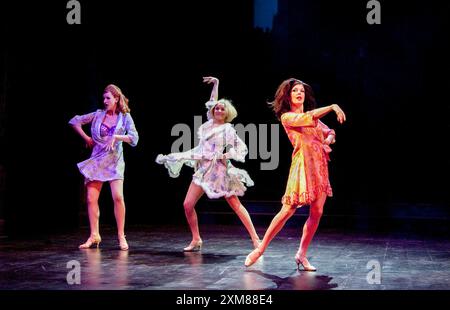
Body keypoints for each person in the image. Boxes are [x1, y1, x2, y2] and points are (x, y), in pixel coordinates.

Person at [244, 78, 346, 271]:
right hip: (302, 167)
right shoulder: (288, 117)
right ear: (288, 96)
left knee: (317, 212)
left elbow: (329, 131)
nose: (300, 93)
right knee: (287, 211)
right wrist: (333, 106)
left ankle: (302, 254)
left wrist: (329, 139)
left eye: (302, 91)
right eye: (295, 91)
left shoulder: (314, 119)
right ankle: (260, 249)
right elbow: (308, 118)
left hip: (320, 166)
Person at [156, 76, 260, 251]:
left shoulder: (227, 129)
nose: (218, 110)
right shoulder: (208, 124)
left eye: (222, 109)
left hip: (219, 171)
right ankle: (196, 239)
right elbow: (211, 102)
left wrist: (226, 155)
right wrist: (216, 84)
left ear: (226, 113)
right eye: (217, 108)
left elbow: (241, 148)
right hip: (203, 169)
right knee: (187, 204)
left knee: (235, 205)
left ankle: (256, 240)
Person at [69, 84, 139, 251]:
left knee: (118, 197)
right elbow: (74, 121)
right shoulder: (98, 114)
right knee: (91, 199)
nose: (105, 101)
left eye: (108, 98)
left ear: (116, 99)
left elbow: (134, 139)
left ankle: (121, 236)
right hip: (97, 160)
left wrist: (117, 137)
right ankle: (94, 235)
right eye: (104, 98)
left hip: (115, 161)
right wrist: (86, 138)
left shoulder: (125, 117)